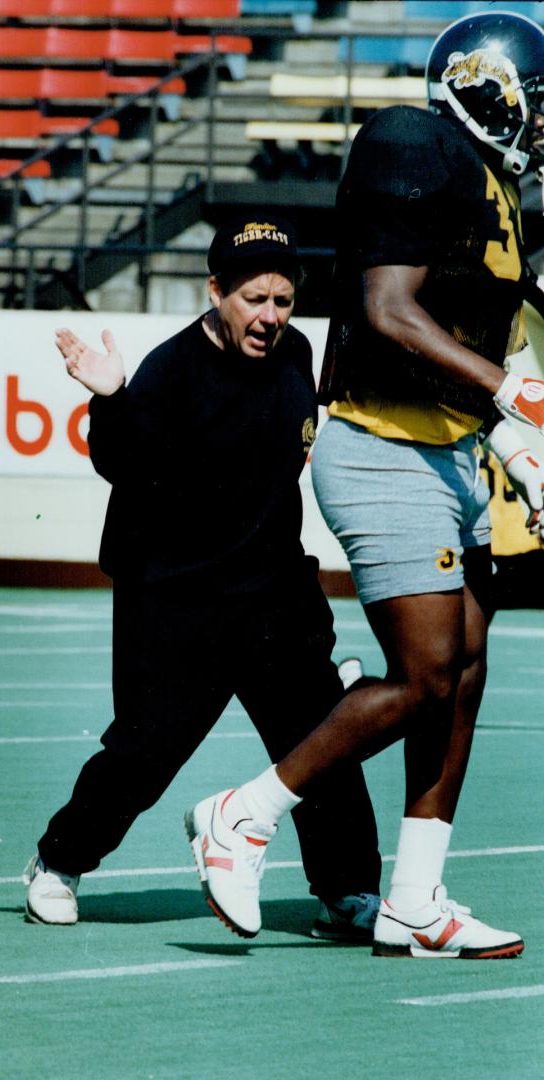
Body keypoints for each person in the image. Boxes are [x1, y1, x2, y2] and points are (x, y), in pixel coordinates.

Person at [186, 11, 544, 958]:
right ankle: (242, 814)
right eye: (534, 102)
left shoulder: (493, 189)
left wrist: (503, 439)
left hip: (449, 450)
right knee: (422, 675)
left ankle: (415, 901)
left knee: (463, 676)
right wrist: (510, 392)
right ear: (484, 86)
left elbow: (468, 339)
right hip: (382, 448)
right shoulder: (412, 143)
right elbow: (386, 314)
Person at [23, 213, 382, 937]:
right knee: (143, 751)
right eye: (254, 298)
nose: (269, 315)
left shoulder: (296, 356)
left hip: (274, 595)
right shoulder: (170, 370)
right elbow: (119, 463)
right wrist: (110, 395)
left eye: (282, 299)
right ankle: (57, 863)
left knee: (320, 742)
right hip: (174, 598)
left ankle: (345, 891)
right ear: (216, 290)